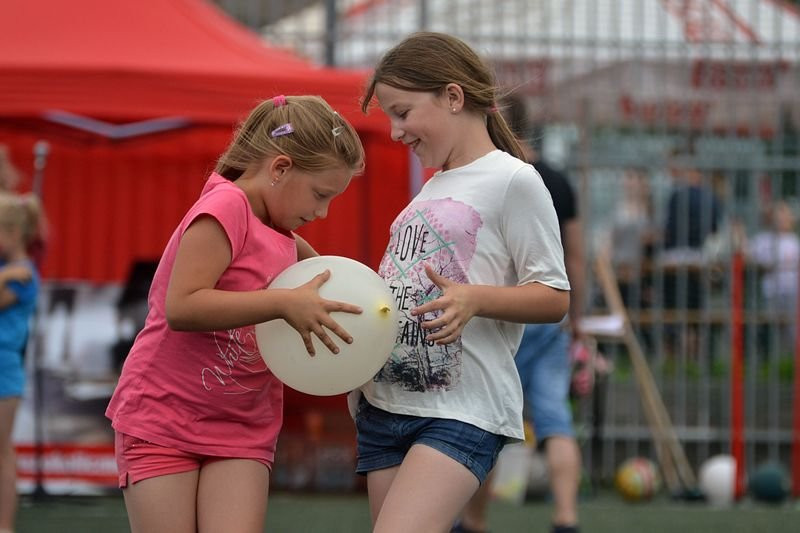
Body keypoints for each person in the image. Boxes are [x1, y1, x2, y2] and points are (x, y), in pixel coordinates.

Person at [105, 95, 365, 533]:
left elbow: (335, 291)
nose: (322, 212)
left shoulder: (286, 237)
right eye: (321, 194)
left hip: (244, 428)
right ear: (280, 168)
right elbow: (183, 305)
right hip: (162, 420)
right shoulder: (227, 206)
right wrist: (283, 302)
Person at [353, 32, 570, 533]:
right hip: (384, 406)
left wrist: (473, 299)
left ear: (453, 97)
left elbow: (554, 297)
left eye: (402, 113)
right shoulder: (430, 187)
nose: (393, 131)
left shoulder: (515, 180)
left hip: (462, 412)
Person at [455, 95, 584, 533]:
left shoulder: (496, 177)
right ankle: (566, 517)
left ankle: (474, 521)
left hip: (499, 312)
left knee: (483, 418)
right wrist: (578, 316)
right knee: (555, 418)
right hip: (546, 319)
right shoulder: (559, 181)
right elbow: (576, 258)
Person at [0, 191, 42, 533]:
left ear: (13, 233)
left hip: (4, 368)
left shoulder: (23, 274)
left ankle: (5, 525)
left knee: (1, 451)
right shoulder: (7, 271)